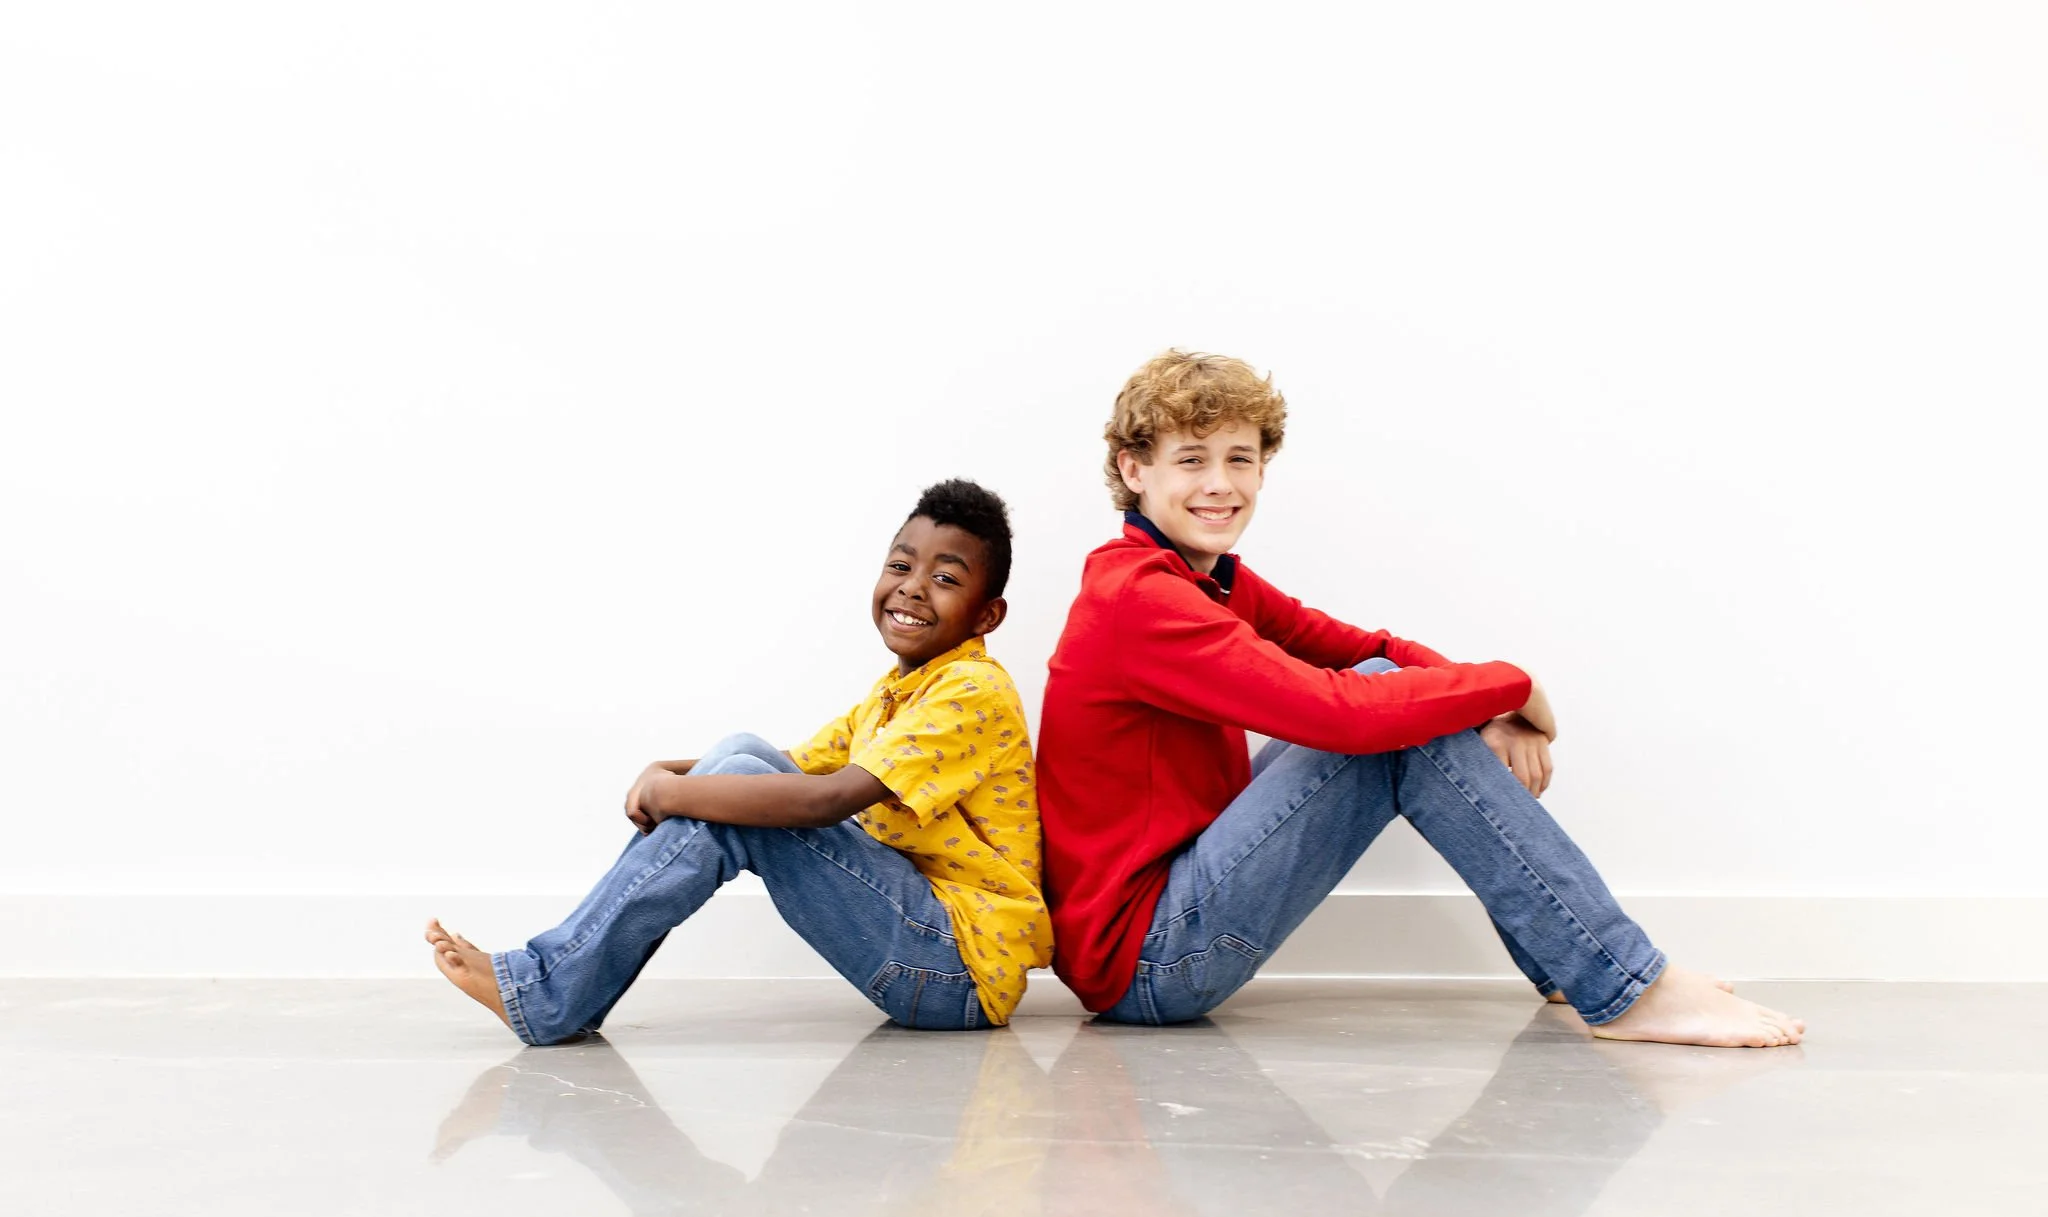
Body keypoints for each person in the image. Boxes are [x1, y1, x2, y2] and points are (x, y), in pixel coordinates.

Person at [1036, 350, 1804, 1047]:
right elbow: (1338, 711)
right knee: (1379, 712)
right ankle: (1627, 985)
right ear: (1134, 469)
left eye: (1240, 458)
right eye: (1191, 460)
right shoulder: (1138, 598)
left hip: (1170, 917)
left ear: (1264, 469)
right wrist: (1516, 683)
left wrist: (1485, 710)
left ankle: (1580, 966)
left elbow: (1366, 647)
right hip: (1146, 960)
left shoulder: (1205, 579)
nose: (1220, 483)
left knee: (1395, 697)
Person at [428, 479, 1051, 1042]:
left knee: (741, 782)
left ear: (986, 614)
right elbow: (791, 763)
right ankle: (565, 990)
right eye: (900, 565)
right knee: (741, 753)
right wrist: (669, 770)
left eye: (946, 579)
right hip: (925, 943)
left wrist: (672, 795)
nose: (913, 587)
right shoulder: (897, 694)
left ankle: (549, 989)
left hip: (955, 969)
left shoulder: (972, 690)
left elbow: (826, 799)